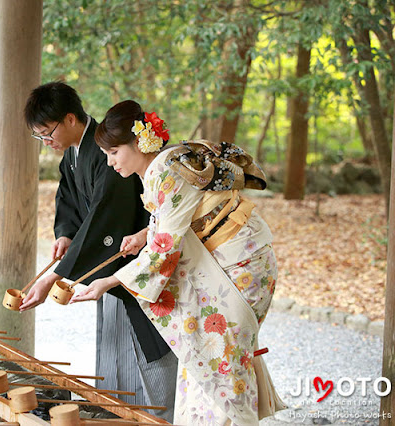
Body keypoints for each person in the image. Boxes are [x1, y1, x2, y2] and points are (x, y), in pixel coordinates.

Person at [71, 100, 286, 425]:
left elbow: (165, 249)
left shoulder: (163, 171)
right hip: (240, 256)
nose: (110, 161)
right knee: (207, 356)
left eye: (114, 151)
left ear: (138, 142)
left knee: (217, 356)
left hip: (239, 264)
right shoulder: (167, 161)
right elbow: (178, 215)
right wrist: (146, 234)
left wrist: (110, 281)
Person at [20, 82, 177, 421]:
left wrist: (56, 276)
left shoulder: (110, 148)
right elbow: (70, 202)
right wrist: (66, 234)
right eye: (41, 137)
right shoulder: (76, 155)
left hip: (138, 264)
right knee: (115, 352)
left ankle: (157, 417)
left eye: (48, 133)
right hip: (114, 263)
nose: (47, 142)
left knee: (147, 351)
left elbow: (107, 217)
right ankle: (120, 415)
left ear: (71, 118)